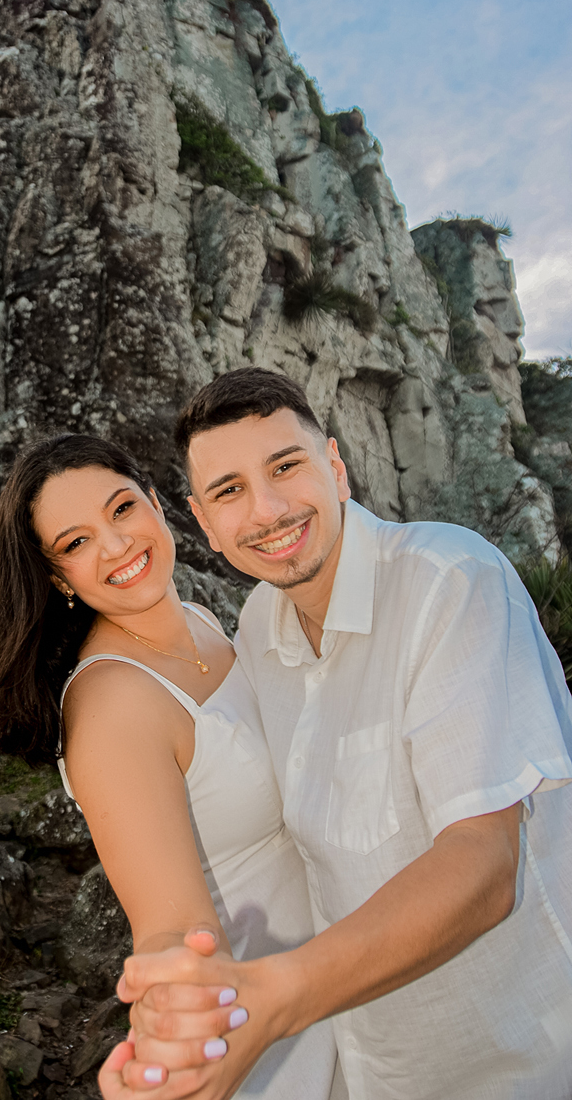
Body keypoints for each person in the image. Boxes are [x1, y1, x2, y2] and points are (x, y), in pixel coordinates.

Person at [103, 367, 572, 1100]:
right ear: (202, 522)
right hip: (378, 1065)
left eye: (285, 466)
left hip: (521, 1058)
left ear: (335, 468)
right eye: (229, 491)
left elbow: (481, 862)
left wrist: (271, 998)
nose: (266, 510)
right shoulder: (256, 625)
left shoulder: (448, 580)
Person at [0, 432, 343, 1098]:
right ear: (57, 578)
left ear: (158, 503)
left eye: (122, 509)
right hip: (263, 1030)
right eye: (75, 543)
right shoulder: (111, 707)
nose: (115, 545)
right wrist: (176, 1014)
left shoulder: (202, 620)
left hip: (336, 976)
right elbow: (168, 926)